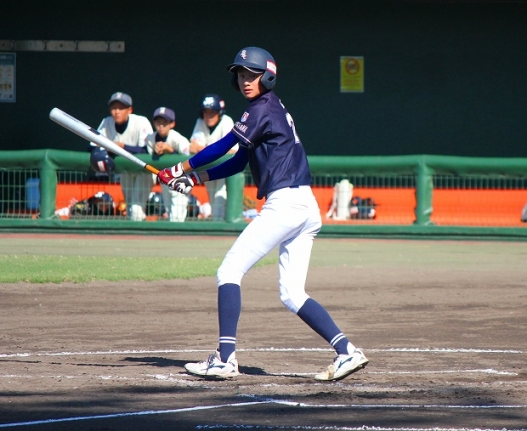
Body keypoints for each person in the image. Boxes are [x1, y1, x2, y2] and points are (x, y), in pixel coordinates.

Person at [158, 46, 368, 381]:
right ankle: (347, 351)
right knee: (292, 294)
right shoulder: (268, 108)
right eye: (241, 75)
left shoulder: (261, 108)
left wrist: (180, 167)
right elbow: (238, 161)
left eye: (252, 75)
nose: (245, 80)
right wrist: (194, 178)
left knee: (229, 270)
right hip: (304, 206)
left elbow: (223, 145)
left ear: (267, 77)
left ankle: (225, 359)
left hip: (285, 204)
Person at [94, 92, 154, 221]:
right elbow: (92, 145)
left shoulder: (141, 122)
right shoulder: (106, 122)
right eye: (114, 108)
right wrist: (107, 147)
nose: (117, 112)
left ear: (130, 110)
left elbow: (147, 150)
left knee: (136, 210)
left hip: (143, 171)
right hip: (126, 171)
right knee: (130, 209)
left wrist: (122, 147)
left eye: (121, 108)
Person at [189, 94, 238, 220]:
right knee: (213, 203)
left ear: (219, 112)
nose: (208, 116)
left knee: (220, 201)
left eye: (212, 112)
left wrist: (206, 150)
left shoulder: (226, 121)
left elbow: (232, 150)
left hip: (225, 170)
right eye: (206, 112)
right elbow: (193, 147)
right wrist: (215, 151)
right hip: (209, 170)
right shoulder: (200, 122)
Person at [146, 106, 192, 222]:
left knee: (177, 216)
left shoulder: (178, 138)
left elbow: (188, 158)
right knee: (169, 211)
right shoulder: (150, 138)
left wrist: (170, 150)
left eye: (164, 122)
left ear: (172, 124)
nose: (161, 125)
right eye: (158, 122)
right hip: (165, 178)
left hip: (181, 178)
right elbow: (145, 153)